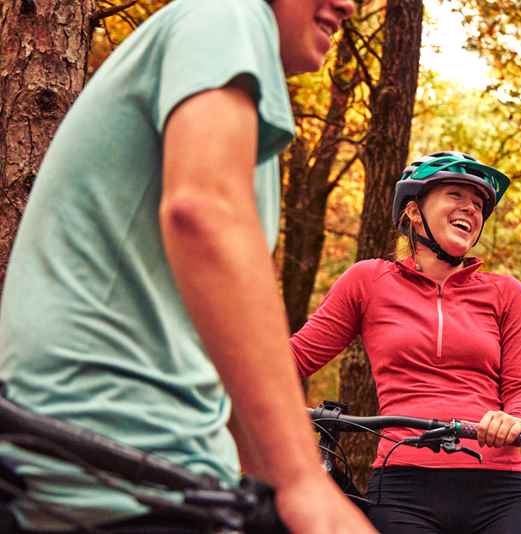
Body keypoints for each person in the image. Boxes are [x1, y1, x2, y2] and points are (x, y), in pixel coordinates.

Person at [0, 0, 377, 532]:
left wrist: (277, 481)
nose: (348, 4)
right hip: (107, 468)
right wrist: (302, 481)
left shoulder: (237, 101)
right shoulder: (224, 14)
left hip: (165, 478)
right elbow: (202, 215)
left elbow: (218, 344)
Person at [291, 151, 521, 533]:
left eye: (478, 205)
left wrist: (514, 419)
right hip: (402, 485)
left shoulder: (506, 293)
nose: (470, 209)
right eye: (456, 196)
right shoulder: (368, 281)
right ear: (413, 211)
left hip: (498, 486)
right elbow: (292, 359)